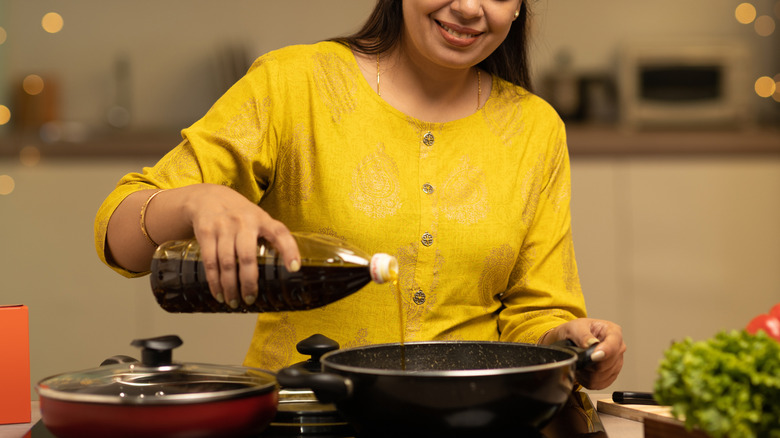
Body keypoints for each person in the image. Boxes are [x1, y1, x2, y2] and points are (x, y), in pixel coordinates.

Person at [95, 0, 625, 390]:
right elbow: (118, 237)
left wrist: (572, 343)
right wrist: (196, 200)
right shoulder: (294, 84)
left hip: (472, 419)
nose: (468, 8)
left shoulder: (535, 128)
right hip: (301, 413)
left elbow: (536, 313)